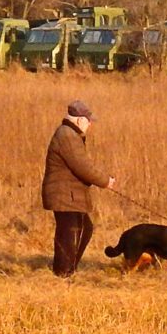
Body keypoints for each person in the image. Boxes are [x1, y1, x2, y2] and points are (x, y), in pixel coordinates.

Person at [42, 100, 116, 277]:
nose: (90, 124)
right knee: (70, 233)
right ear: (79, 120)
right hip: (64, 195)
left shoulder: (70, 134)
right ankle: (63, 272)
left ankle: (68, 268)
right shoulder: (67, 136)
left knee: (83, 228)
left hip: (69, 194)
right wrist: (105, 181)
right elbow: (82, 166)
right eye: (88, 120)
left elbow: (82, 166)